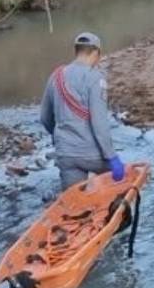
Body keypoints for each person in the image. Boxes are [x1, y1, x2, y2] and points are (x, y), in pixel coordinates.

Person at [40, 32, 125, 190]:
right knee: (118, 186)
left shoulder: (56, 76)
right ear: (95, 53)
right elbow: (99, 124)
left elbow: (44, 118)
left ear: (76, 51)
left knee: (74, 203)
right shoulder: (95, 78)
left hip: (65, 155)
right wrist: (112, 157)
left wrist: (59, 136)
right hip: (91, 155)